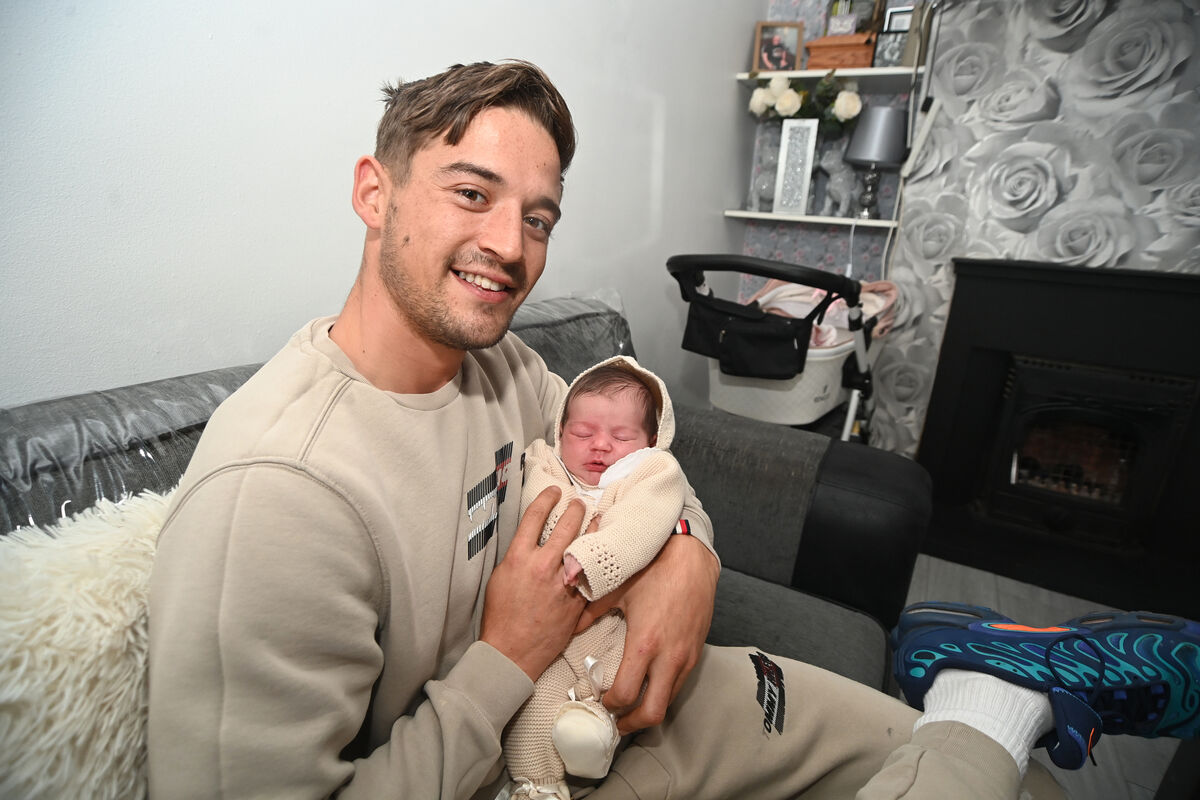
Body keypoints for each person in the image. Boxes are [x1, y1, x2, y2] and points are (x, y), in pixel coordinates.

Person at [146, 58, 1199, 800]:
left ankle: (980, 708)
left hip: (613, 702)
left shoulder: (503, 365)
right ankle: (989, 690)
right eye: (472, 193)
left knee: (1022, 783)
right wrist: (511, 654)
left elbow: (635, 466)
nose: (510, 245)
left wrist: (688, 552)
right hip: (520, 762)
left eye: (540, 215)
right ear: (374, 193)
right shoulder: (279, 493)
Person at [504, 356, 689, 799]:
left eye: (622, 436)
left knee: (621, 682)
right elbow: (535, 496)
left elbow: (646, 521)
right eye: (582, 434)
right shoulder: (546, 461)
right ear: (560, 430)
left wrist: (594, 556)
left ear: (651, 441)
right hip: (549, 636)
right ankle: (538, 786)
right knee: (531, 711)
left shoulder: (651, 473)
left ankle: (599, 730)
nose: (600, 446)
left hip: (618, 623)